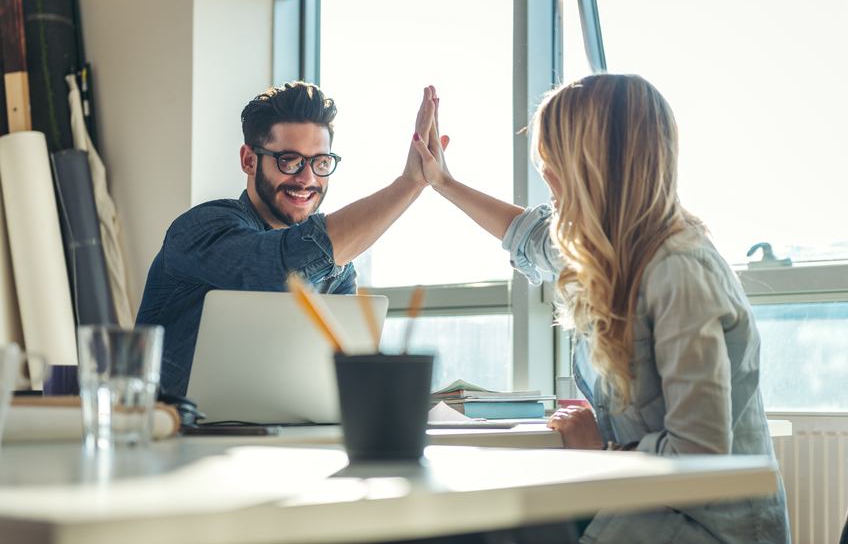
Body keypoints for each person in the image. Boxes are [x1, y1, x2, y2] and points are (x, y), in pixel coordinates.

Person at [411, 74, 790, 543]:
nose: (545, 175)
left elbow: (700, 457)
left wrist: (603, 450)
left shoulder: (680, 271)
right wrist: (442, 182)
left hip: (703, 529)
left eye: (553, 160)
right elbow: (527, 236)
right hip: (646, 509)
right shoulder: (613, 251)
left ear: (593, 167)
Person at [137, 81, 442, 396]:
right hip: (173, 436)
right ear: (249, 160)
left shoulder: (338, 270)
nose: (307, 178)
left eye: (320, 162)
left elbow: (336, 381)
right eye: (290, 160)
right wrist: (408, 184)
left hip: (282, 436)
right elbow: (277, 270)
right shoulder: (202, 228)